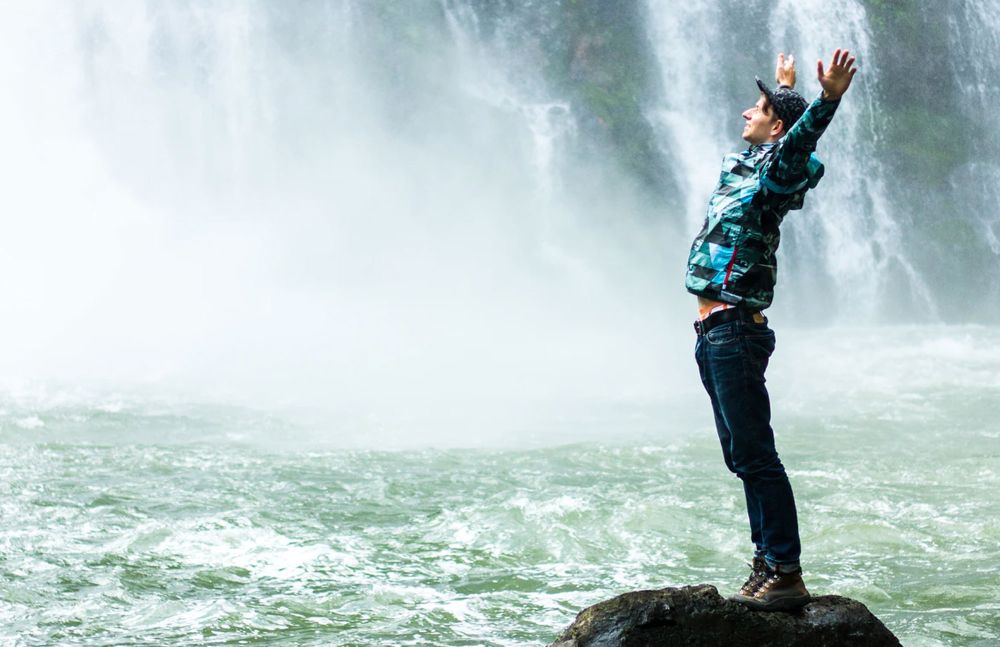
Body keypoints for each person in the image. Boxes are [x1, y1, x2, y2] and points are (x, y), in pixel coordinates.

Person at [685, 49, 857, 611]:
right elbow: (773, 143)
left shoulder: (774, 177)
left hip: (734, 331)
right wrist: (782, 91)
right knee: (742, 456)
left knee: (757, 456)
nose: (743, 112)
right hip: (713, 334)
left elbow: (798, 148)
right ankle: (767, 562)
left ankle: (785, 569)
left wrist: (824, 100)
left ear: (777, 128)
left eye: (755, 109)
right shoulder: (747, 167)